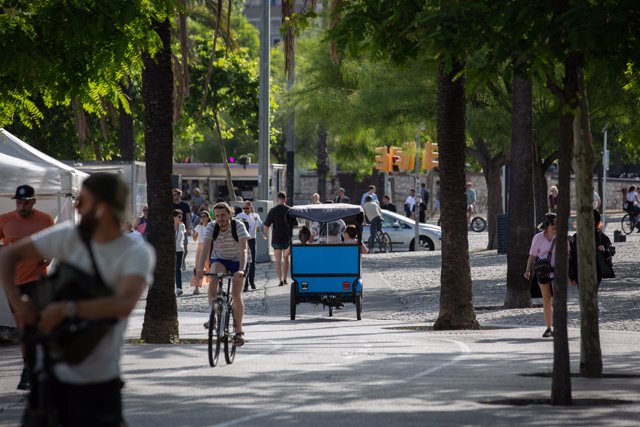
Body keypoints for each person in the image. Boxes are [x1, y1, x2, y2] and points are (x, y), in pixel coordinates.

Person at [0, 173, 156, 426]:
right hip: (50, 379)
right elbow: (8, 257)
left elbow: (124, 303)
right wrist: (19, 304)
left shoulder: (134, 252)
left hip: (98, 382)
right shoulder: (68, 237)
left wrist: (67, 309)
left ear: (103, 207)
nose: (76, 206)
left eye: (83, 200)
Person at [0, 185, 54, 390]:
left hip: (38, 279)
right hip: (13, 283)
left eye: (26, 202)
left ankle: (35, 370)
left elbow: (53, 244)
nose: (21, 206)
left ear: (34, 201)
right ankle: (29, 369)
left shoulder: (45, 220)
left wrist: (50, 255)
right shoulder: (4, 220)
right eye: (18, 202)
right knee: (23, 328)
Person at [195, 202, 248, 346]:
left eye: (223, 215)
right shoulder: (212, 226)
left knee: (236, 295)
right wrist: (200, 268)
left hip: (237, 261)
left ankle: (239, 331)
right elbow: (206, 247)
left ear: (230, 214)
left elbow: (244, 249)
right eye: (217, 216)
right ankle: (215, 316)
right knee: (213, 278)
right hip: (220, 259)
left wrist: (241, 269)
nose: (220, 218)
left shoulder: (238, 226)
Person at [524, 212, 557, 338]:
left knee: (558, 300)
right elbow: (532, 256)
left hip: (557, 272)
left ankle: (558, 326)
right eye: (552, 224)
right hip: (542, 272)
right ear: (547, 225)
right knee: (547, 300)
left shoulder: (561, 237)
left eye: (556, 224)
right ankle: (549, 327)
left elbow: (568, 256)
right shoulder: (538, 238)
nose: (555, 226)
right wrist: (528, 270)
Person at [569, 209, 613, 294]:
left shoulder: (600, 236)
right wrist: (572, 277)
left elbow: (611, 250)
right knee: (583, 294)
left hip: (596, 271)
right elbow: (571, 257)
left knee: (592, 293)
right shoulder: (576, 237)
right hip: (580, 271)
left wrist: (604, 249)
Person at [263, 191, 294, 286]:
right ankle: (285, 279)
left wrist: (264, 234)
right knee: (286, 259)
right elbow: (295, 224)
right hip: (287, 238)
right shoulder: (289, 210)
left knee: (278, 261)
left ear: (277, 199)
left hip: (276, 238)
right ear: (285, 199)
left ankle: (280, 280)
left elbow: (266, 224)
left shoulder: (273, 210)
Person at [237, 201, 263, 291]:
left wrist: (253, 214)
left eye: (247, 208)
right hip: (243, 240)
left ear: (250, 207)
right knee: (244, 262)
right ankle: (245, 283)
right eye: (243, 208)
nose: (245, 210)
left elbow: (260, 225)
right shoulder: (239, 216)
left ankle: (252, 281)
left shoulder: (255, 216)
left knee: (252, 262)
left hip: (252, 240)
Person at [190, 211, 212, 295]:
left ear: (208, 217)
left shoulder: (211, 226)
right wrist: (195, 234)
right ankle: (196, 287)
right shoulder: (198, 227)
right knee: (198, 267)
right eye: (201, 216)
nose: (202, 218)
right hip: (200, 248)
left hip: (209, 248)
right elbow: (194, 238)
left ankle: (211, 285)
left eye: (204, 216)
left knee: (209, 267)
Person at [172, 188, 191, 271]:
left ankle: (183, 259)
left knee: (185, 249)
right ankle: (177, 262)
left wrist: (188, 228)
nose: (174, 196)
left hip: (182, 227)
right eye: (173, 194)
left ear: (179, 195)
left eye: (175, 194)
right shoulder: (170, 204)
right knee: (175, 247)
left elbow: (188, 217)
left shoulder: (185, 205)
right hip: (173, 227)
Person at [173, 209, 186, 296]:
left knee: (178, 269)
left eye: (181, 216)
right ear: (174, 217)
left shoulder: (182, 226)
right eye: (179, 216)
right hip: (170, 250)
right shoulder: (168, 226)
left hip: (179, 249)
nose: (180, 218)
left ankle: (179, 288)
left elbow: (183, 239)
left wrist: (185, 250)